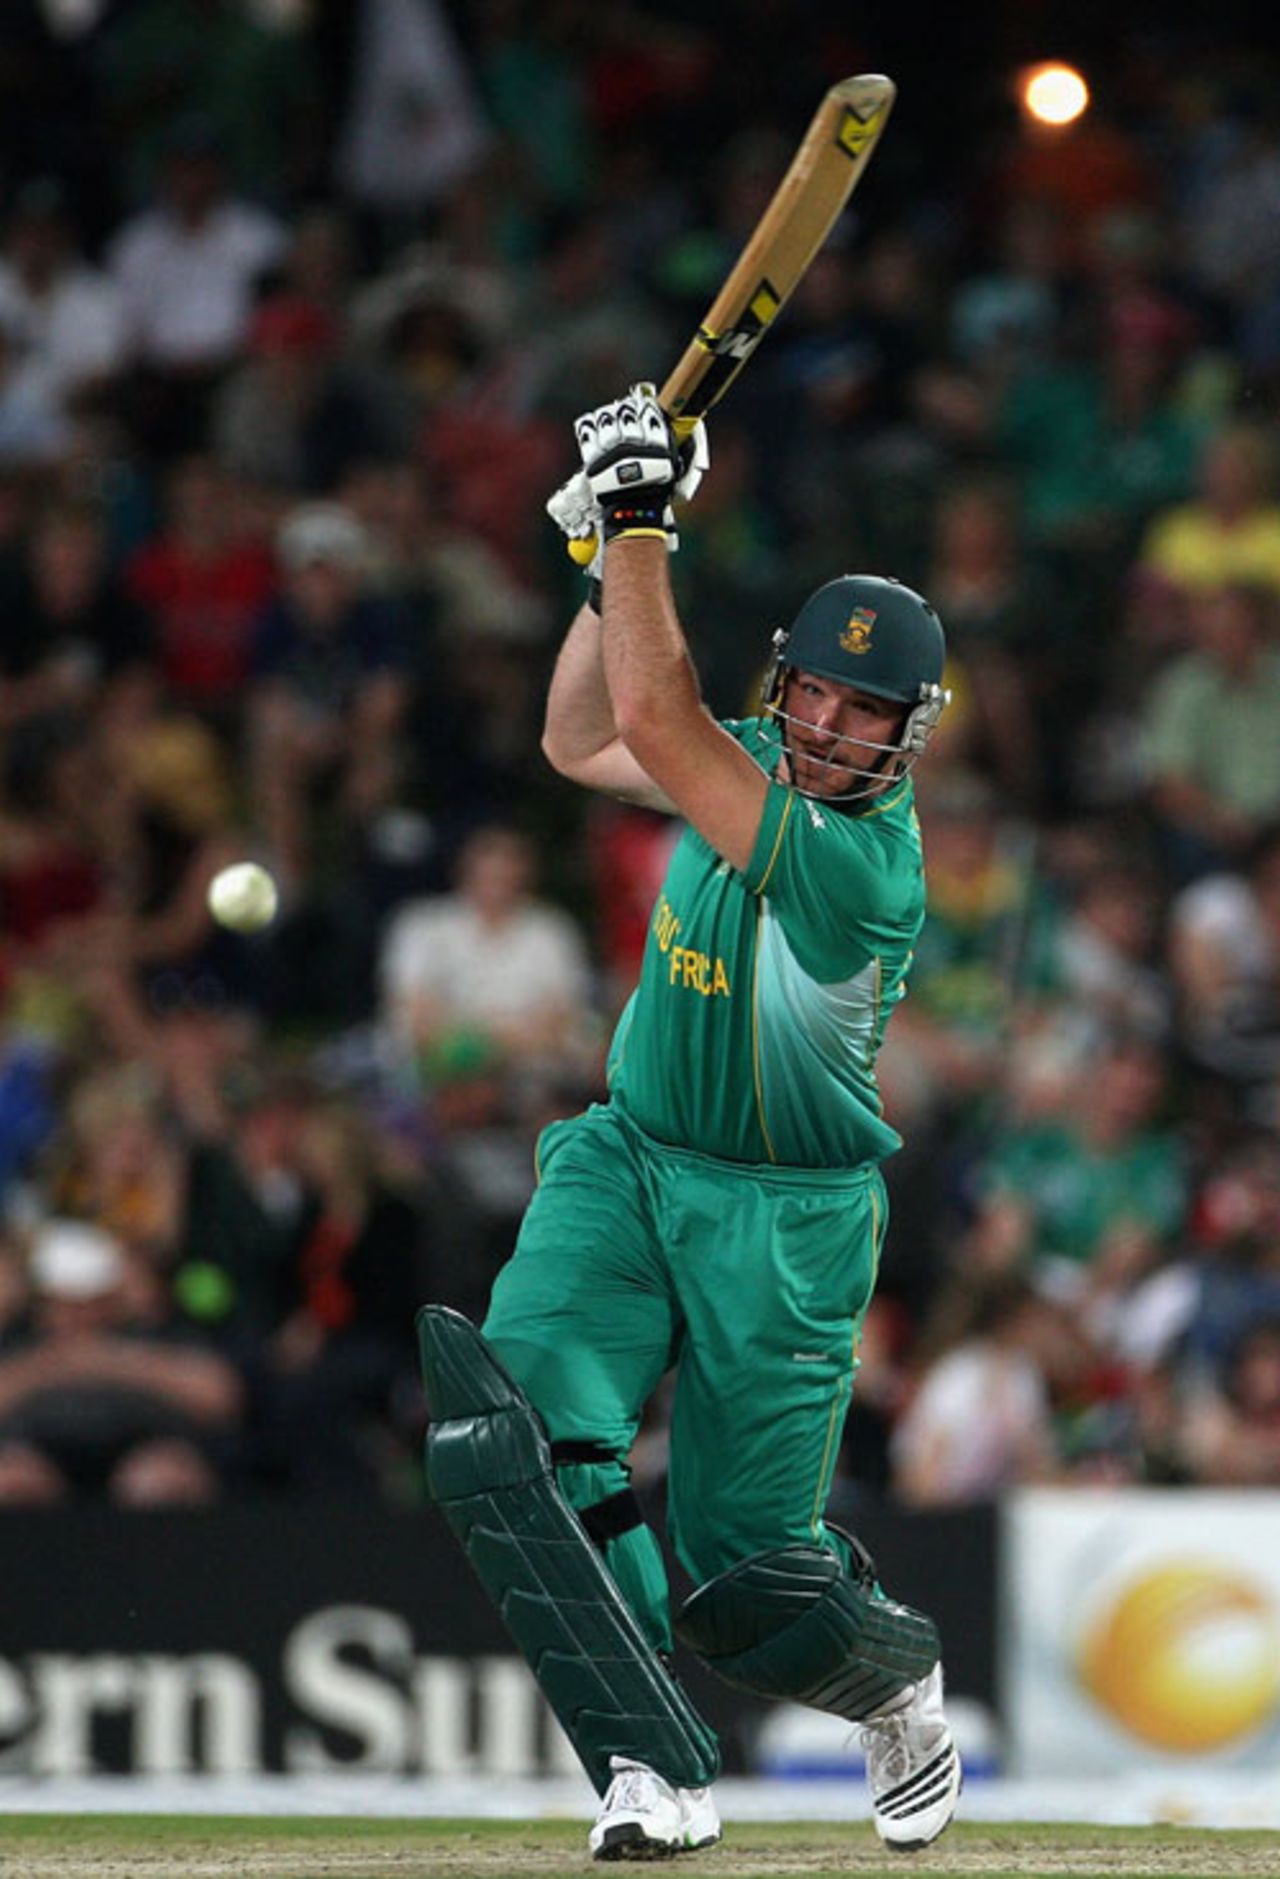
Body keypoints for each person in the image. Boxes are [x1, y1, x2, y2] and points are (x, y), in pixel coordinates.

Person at [417, 384, 960, 1859]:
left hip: (787, 1222)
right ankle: (647, 1767)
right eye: (815, 693)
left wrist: (643, 516)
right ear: (784, 683)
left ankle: (892, 1680)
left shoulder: (863, 868)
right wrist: (611, 562)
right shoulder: (749, 759)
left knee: (745, 1589)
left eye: (865, 711)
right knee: (518, 1435)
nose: (828, 727)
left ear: (908, 735)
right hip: (633, 1155)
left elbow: (653, 717)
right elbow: (582, 733)